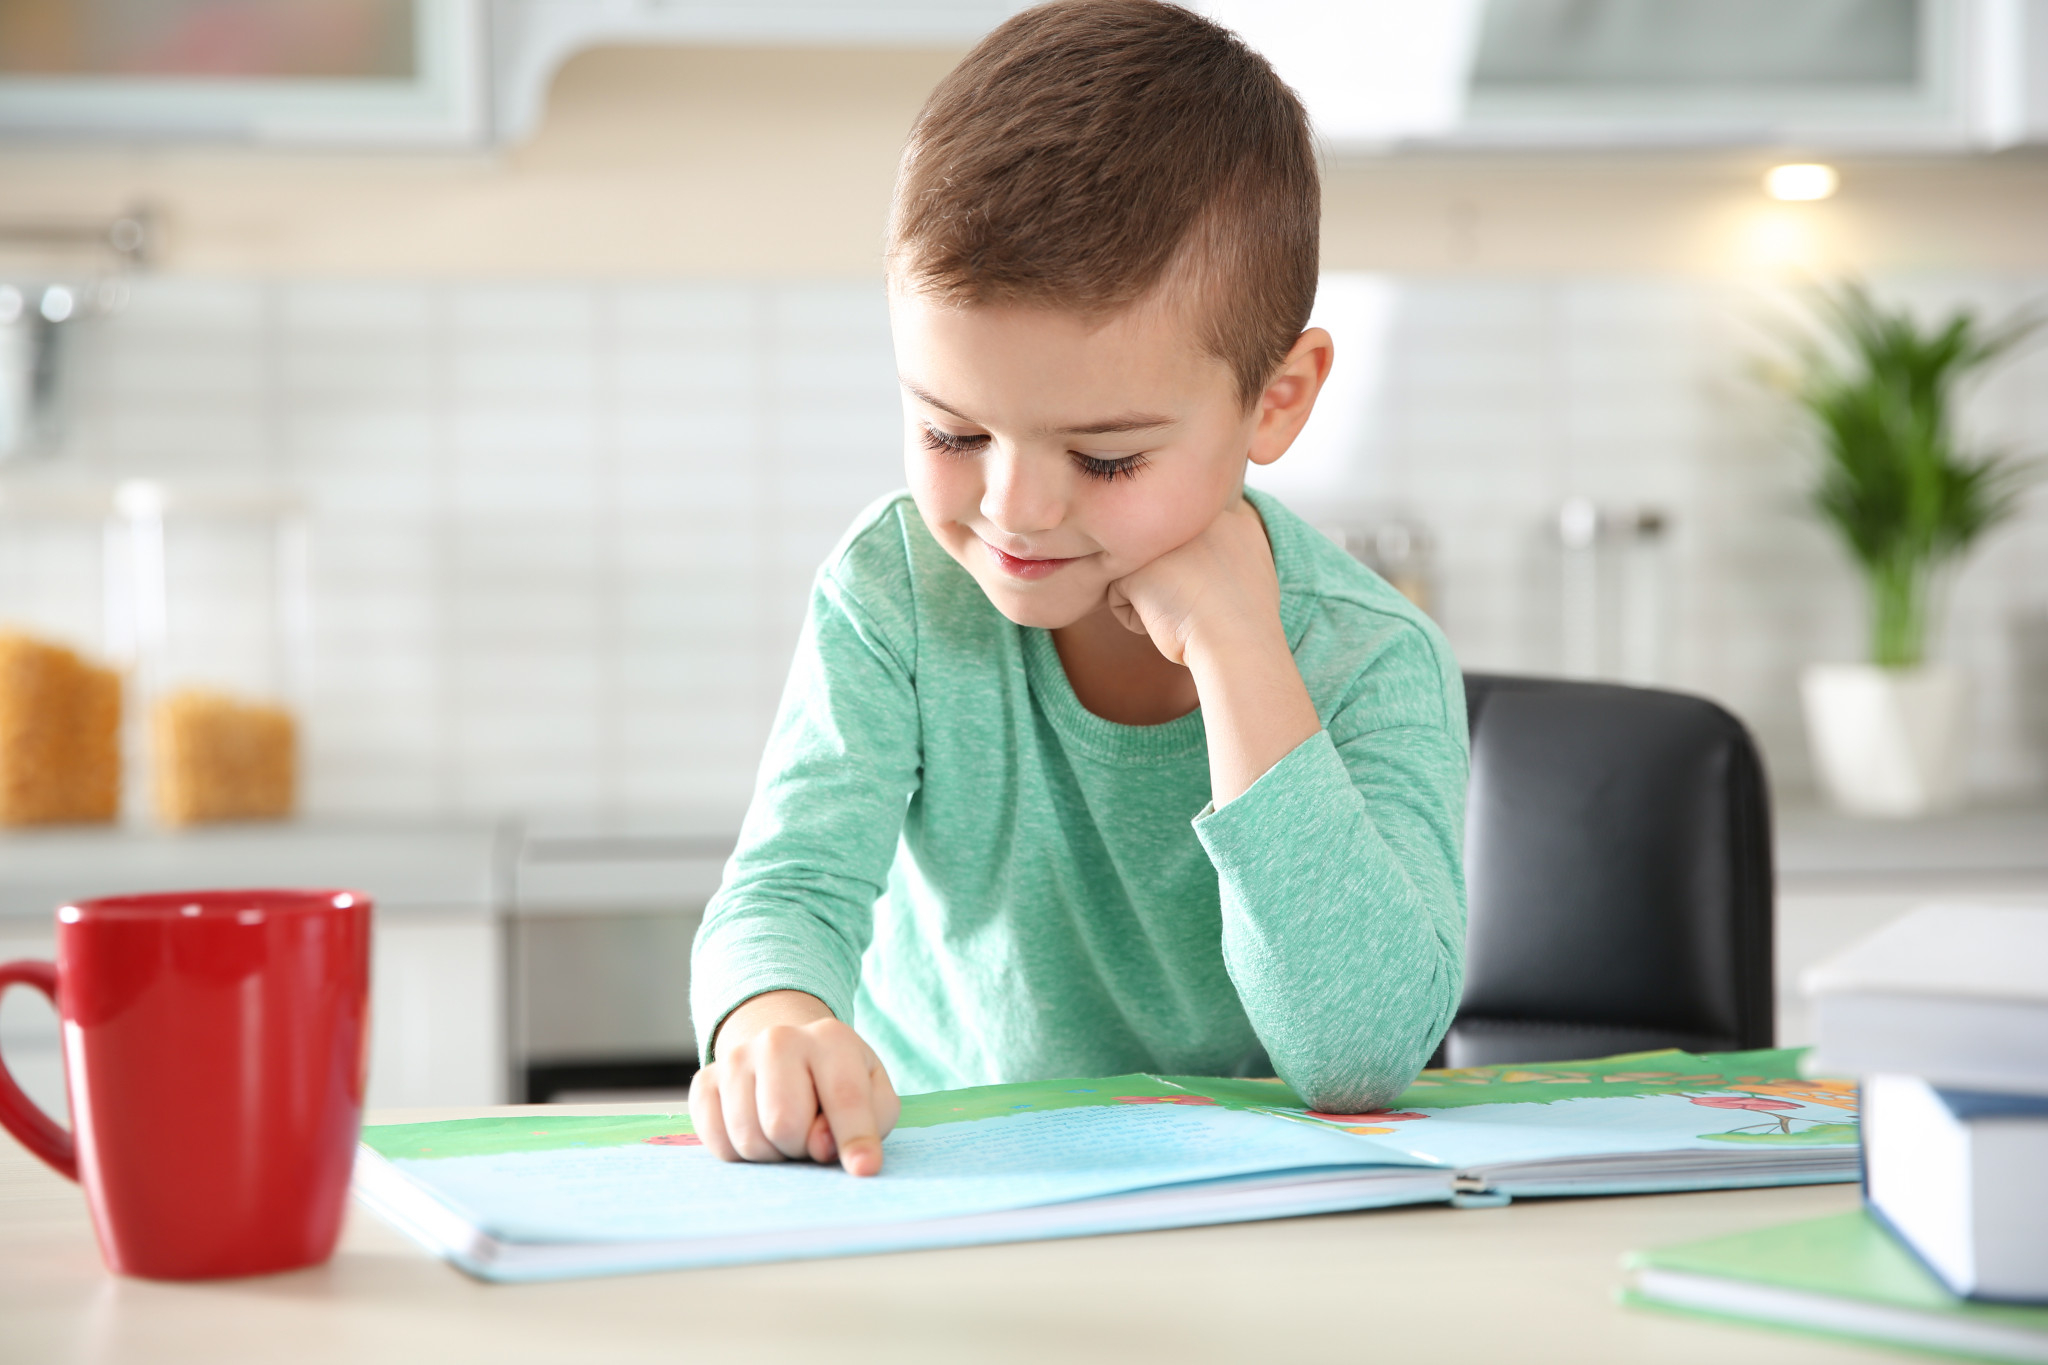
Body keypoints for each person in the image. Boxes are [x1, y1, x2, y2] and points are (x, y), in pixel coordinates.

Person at [688, 0, 1467, 1177]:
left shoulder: (1372, 659)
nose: (1016, 508)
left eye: (1105, 458)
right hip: (941, 1198)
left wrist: (1237, 648)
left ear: (1275, 400)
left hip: (1248, 1228)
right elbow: (787, 888)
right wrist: (777, 1024)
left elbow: (1356, 1056)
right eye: (951, 431)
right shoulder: (894, 589)